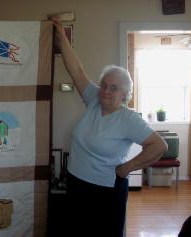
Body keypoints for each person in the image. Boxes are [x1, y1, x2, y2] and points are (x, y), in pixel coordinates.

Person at [52, 18, 168, 237]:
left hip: (105, 191)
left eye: (113, 88)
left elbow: (158, 146)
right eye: (104, 85)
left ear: (124, 95)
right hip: (76, 183)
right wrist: (61, 36)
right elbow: (76, 70)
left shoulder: (129, 119)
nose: (105, 91)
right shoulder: (94, 100)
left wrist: (126, 168)